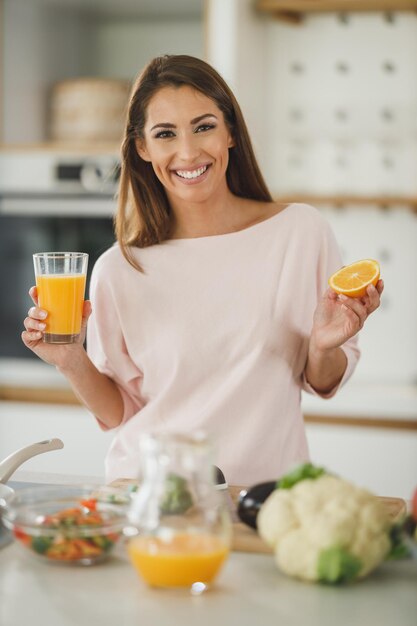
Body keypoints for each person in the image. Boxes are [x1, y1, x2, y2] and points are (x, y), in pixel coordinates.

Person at [22, 55, 383, 485]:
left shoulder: (300, 232)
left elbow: (324, 381)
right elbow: (120, 411)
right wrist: (69, 359)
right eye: (165, 134)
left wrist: (323, 349)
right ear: (142, 148)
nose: (188, 152)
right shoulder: (119, 269)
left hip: (265, 500)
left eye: (204, 126)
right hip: (153, 495)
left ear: (230, 131)